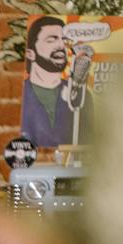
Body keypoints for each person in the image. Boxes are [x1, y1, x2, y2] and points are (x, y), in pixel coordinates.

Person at [19, 17, 90, 150]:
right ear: (30, 53)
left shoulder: (81, 96)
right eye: (51, 40)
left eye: (63, 40)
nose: (60, 45)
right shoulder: (20, 95)